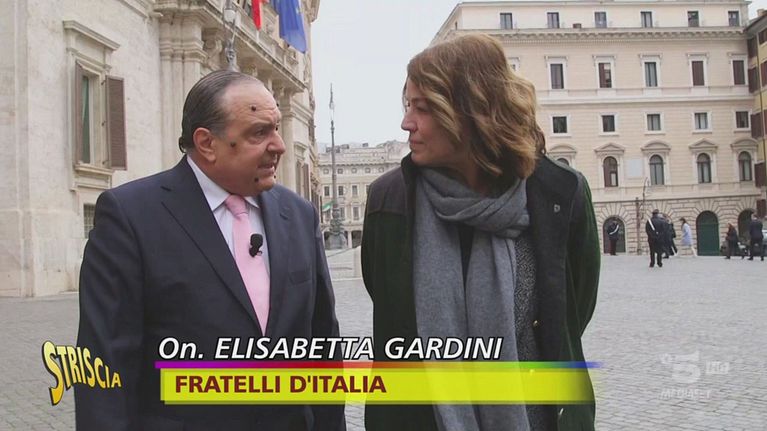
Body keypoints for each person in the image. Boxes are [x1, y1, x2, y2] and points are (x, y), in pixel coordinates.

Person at [75, 71, 345, 430]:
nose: (278, 145)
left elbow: (323, 346)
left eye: (277, 128)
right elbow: (104, 366)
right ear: (206, 143)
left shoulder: (298, 215)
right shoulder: (130, 216)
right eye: (259, 133)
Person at [362, 34, 600, 431]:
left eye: (423, 108)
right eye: (408, 106)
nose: (407, 123)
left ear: (472, 111)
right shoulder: (390, 200)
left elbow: (572, 312)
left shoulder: (560, 194)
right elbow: (393, 313)